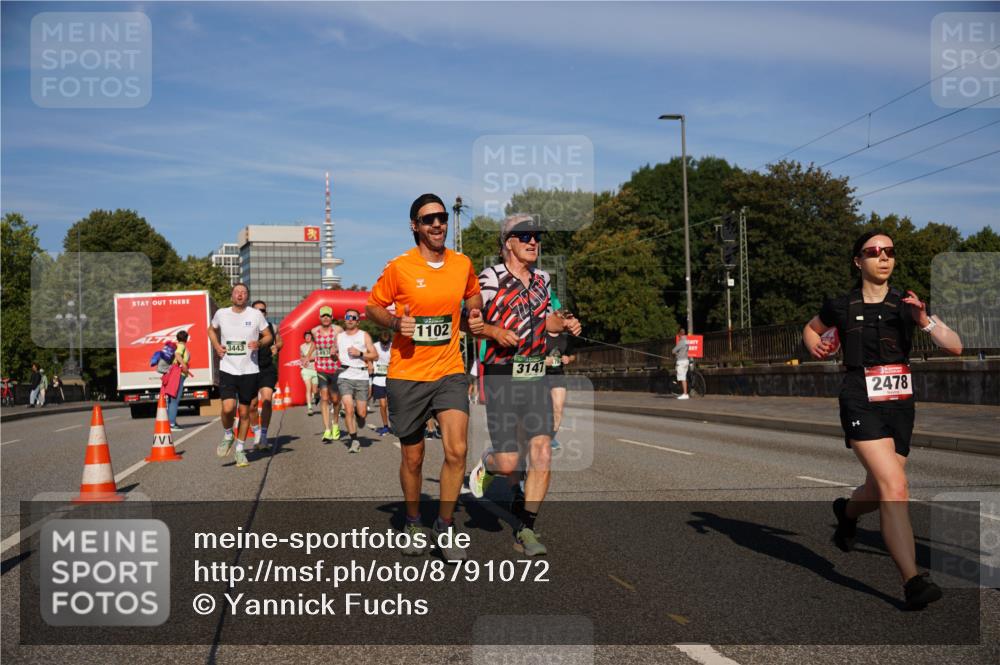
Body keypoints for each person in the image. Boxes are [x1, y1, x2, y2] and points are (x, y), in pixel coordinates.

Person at [803, 230, 963, 610]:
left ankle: (847, 512)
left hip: (900, 405)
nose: (883, 257)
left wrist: (925, 322)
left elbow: (955, 345)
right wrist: (817, 345)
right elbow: (810, 329)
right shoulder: (840, 305)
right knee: (895, 486)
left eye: (889, 251)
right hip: (860, 399)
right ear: (858, 261)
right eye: (873, 252)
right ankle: (912, 581)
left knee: (878, 490)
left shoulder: (908, 304)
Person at [366, 192, 485, 561]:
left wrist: (476, 314)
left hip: (449, 370)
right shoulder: (400, 267)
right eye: (429, 219)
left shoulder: (462, 263)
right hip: (408, 373)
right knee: (414, 458)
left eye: (442, 217)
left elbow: (473, 296)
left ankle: (446, 526)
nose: (437, 224)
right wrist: (394, 321)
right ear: (415, 226)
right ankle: (415, 520)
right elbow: (372, 306)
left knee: (458, 450)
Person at [469, 213, 582, 556]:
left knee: (542, 451)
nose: (534, 241)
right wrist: (494, 332)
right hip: (502, 374)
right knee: (508, 463)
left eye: (537, 236)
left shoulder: (543, 279)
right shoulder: (488, 279)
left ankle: (527, 528)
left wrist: (563, 322)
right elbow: (468, 322)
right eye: (525, 236)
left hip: (535, 375)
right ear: (508, 243)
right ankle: (488, 463)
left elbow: (546, 319)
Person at [208, 283, 273, 468]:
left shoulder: (255, 315)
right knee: (228, 408)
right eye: (237, 292)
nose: (240, 295)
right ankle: (228, 435)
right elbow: (210, 330)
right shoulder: (221, 313)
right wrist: (216, 345)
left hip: (250, 371)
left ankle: (240, 450)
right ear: (231, 296)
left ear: (247, 297)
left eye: (244, 293)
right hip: (228, 368)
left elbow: (268, 335)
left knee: (245, 412)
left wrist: (260, 343)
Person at [336, 308, 378, 453]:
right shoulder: (339, 336)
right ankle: (354, 440)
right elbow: (333, 352)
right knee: (348, 408)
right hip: (344, 375)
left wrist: (360, 353)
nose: (350, 319)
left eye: (353, 317)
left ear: (358, 321)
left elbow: (375, 355)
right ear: (344, 318)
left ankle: (359, 416)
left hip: (361, 377)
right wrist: (333, 355)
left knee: (361, 413)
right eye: (348, 316)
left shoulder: (364, 335)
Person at [248, 300, 282, 452]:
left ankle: (263, 435)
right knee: (252, 405)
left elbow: (280, 341)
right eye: (256, 310)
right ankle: (256, 432)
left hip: (267, 368)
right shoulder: (245, 327)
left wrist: (276, 346)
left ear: (265, 313)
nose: (259, 312)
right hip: (249, 368)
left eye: (262, 310)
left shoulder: (272, 327)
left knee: (267, 400)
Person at [311, 306, 344, 443]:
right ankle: (327, 429)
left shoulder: (338, 330)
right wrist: (308, 356)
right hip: (321, 368)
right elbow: (315, 344)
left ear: (332, 317)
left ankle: (335, 423)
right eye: (323, 316)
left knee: (336, 400)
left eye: (328, 316)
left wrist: (336, 351)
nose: (325, 318)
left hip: (335, 368)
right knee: (324, 396)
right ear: (319, 317)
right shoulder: (314, 331)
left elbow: (343, 346)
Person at [544, 328, 576, 450]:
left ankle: (551, 438)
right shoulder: (541, 334)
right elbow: (529, 353)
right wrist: (543, 360)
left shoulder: (565, 337)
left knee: (558, 408)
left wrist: (568, 359)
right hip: (541, 375)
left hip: (558, 375)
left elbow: (572, 355)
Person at [167, 331, 192, 430]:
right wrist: (184, 365)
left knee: (172, 399)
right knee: (175, 399)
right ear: (186, 338)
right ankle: (172, 424)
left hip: (175, 374)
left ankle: (170, 421)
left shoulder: (178, 345)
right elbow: (177, 355)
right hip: (178, 375)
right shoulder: (181, 346)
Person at [372, 330, 392, 435]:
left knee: (392, 405)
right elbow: (368, 358)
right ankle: (385, 426)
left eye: (387, 344)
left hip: (391, 379)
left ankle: (395, 425)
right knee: (383, 405)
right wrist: (370, 365)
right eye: (383, 344)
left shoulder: (393, 347)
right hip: (378, 379)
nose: (385, 346)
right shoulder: (374, 346)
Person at [300, 330, 318, 416]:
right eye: (306, 336)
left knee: (315, 390)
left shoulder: (315, 345)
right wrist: (303, 363)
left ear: (311, 337)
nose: (307, 337)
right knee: (308, 388)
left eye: (309, 336)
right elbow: (301, 357)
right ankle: (309, 408)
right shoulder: (301, 346)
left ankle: (317, 395)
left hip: (315, 369)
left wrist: (308, 359)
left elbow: (317, 356)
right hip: (306, 370)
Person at [672, 327, 690, 399]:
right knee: (683, 377)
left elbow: (673, 351)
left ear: (680, 334)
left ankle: (685, 394)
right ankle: (683, 392)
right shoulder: (687, 341)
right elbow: (685, 350)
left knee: (682, 377)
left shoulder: (681, 341)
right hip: (686, 360)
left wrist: (676, 354)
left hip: (681, 361)